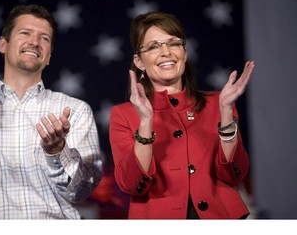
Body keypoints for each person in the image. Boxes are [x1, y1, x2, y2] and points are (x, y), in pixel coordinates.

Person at [0, 4, 103, 219]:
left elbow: (81, 191)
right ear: (3, 44)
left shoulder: (75, 110)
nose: (34, 41)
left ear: (49, 55)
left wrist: (57, 151)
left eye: (44, 38)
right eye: (25, 33)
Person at [109, 11, 255, 219]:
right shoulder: (123, 114)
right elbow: (132, 184)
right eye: (153, 46)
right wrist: (146, 122)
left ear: (184, 53)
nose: (166, 52)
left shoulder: (219, 103)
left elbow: (234, 174)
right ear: (139, 62)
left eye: (174, 43)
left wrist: (225, 113)